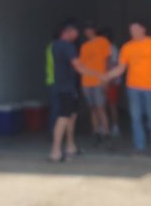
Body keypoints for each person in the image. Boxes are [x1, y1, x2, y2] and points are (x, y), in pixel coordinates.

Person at [48, 22, 107, 162]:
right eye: (75, 33)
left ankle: (71, 147)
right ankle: (55, 152)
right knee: (63, 117)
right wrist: (99, 75)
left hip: (67, 87)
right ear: (67, 31)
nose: (77, 36)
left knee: (71, 117)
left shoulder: (55, 45)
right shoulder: (67, 46)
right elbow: (79, 67)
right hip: (66, 88)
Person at [106, 22, 151, 155]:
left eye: (135, 29)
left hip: (150, 87)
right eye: (131, 30)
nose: (133, 32)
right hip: (133, 87)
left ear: (143, 29)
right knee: (135, 117)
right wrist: (107, 76)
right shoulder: (127, 47)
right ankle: (139, 146)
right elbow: (121, 68)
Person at [79, 23, 113, 147]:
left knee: (100, 107)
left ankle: (106, 133)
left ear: (94, 30)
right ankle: (96, 133)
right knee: (92, 108)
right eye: (86, 30)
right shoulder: (84, 46)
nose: (87, 32)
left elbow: (107, 61)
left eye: (89, 29)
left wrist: (106, 79)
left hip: (99, 80)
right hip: (86, 81)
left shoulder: (103, 41)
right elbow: (81, 65)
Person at [101, 27, 121, 138]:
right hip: (103, 80)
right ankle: (104, 126)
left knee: (112, 105)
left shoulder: (112, 48)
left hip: (112, 81)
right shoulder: (103, 48)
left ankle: (115, 126)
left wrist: (110, 79)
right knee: (102, 105)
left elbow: (113, 64)